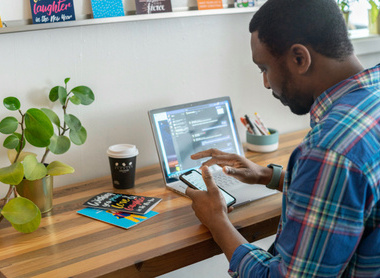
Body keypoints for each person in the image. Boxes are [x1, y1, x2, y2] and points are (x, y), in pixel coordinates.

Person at [185, 0, 380, 277]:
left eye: (264, 68)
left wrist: (218, 222)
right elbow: (353, 195)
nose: (265, 82)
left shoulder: (329, 150)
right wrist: (268, 176)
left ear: (300, 58)